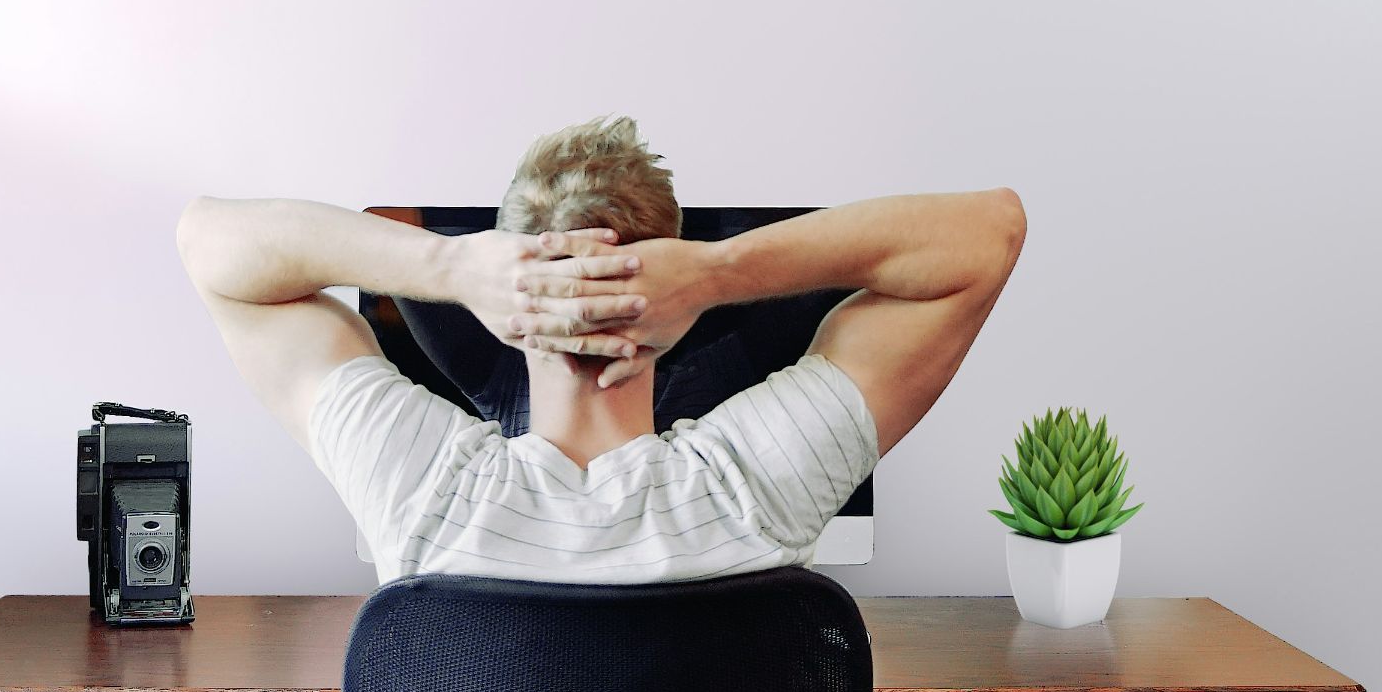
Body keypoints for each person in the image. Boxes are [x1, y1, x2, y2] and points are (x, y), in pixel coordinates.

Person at [176, 116, 1025, 584]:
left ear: (509, 310)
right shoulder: (758, 486)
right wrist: (719, 270)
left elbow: (208, 244)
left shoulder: (419, 489)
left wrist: (450, 263)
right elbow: (988, 234)